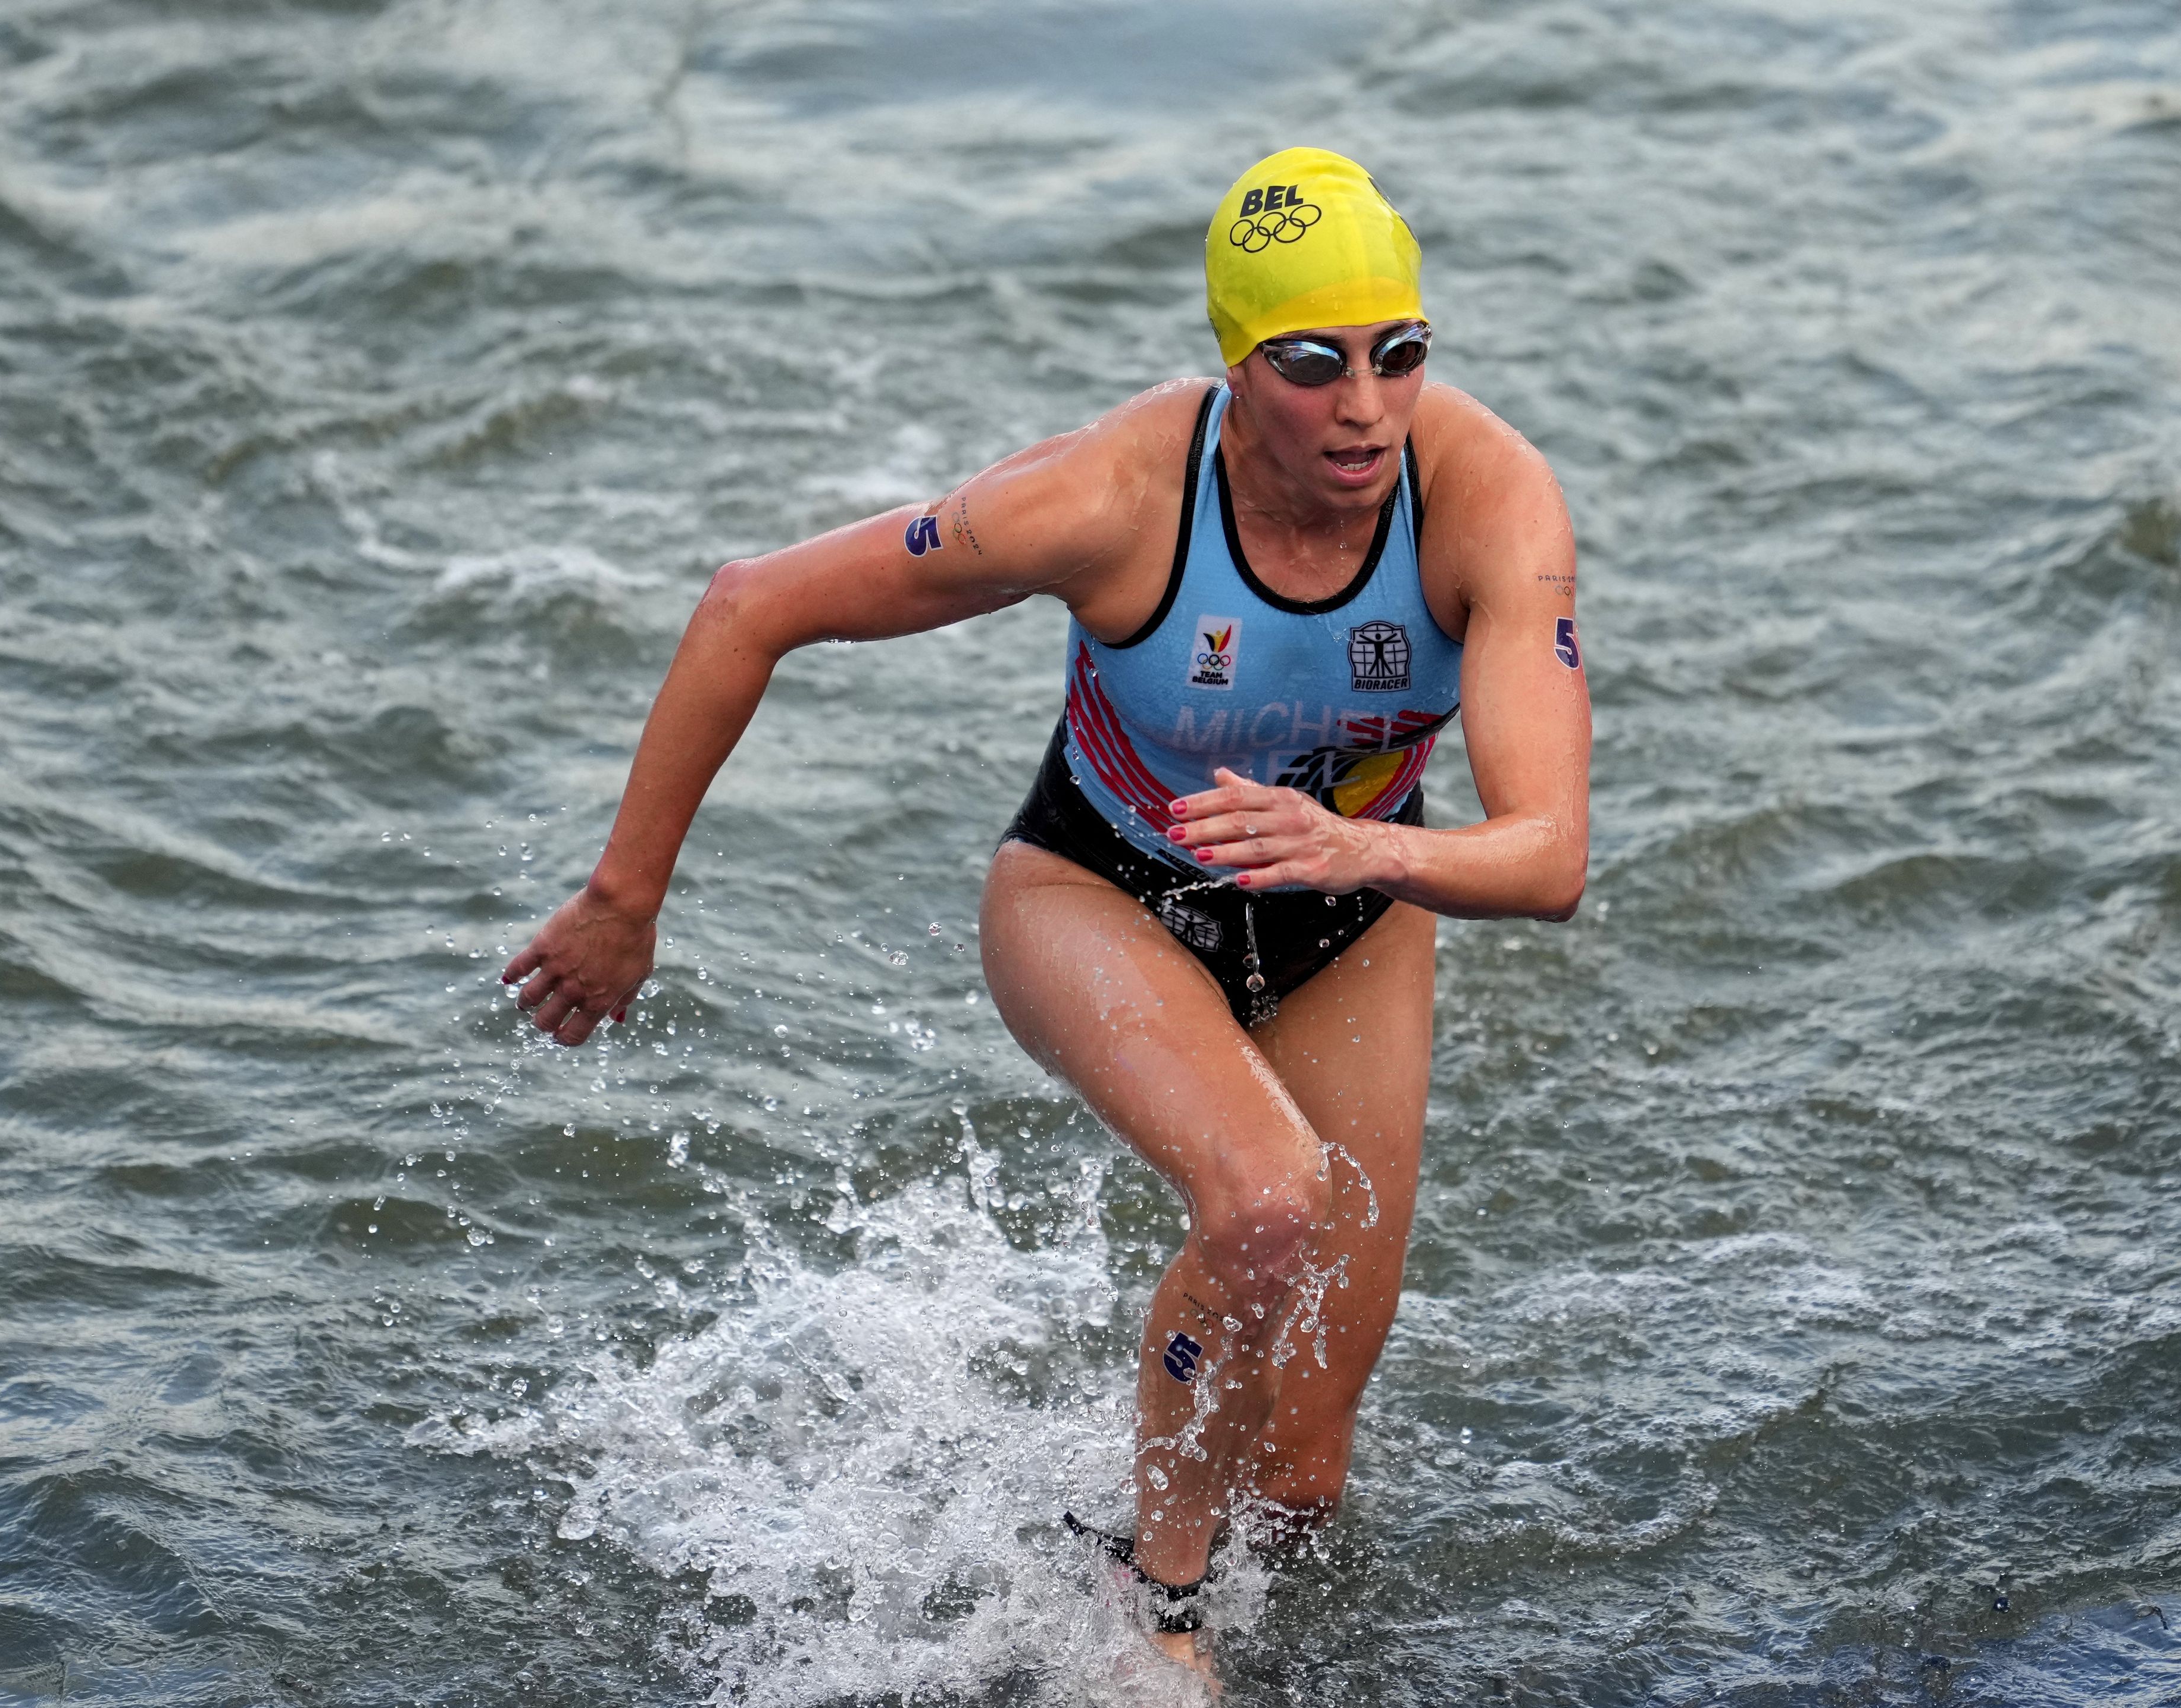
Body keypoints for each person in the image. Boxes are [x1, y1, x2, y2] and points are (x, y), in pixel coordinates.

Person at [501, 147, 1589, 1678]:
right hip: (1097, 889)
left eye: (1398, 353)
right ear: (1233, 361)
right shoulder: (1106, 500)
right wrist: (625, 899)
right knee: (1268, 1198)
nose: (1363, 407)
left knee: (1306, 1476)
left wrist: (1352, 855)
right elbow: (753, 602)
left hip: (1348, 908)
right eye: (1310, 362)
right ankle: (1149, 1610)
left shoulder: (1485, 500)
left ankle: (1220, 1573)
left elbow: (1547, 859)